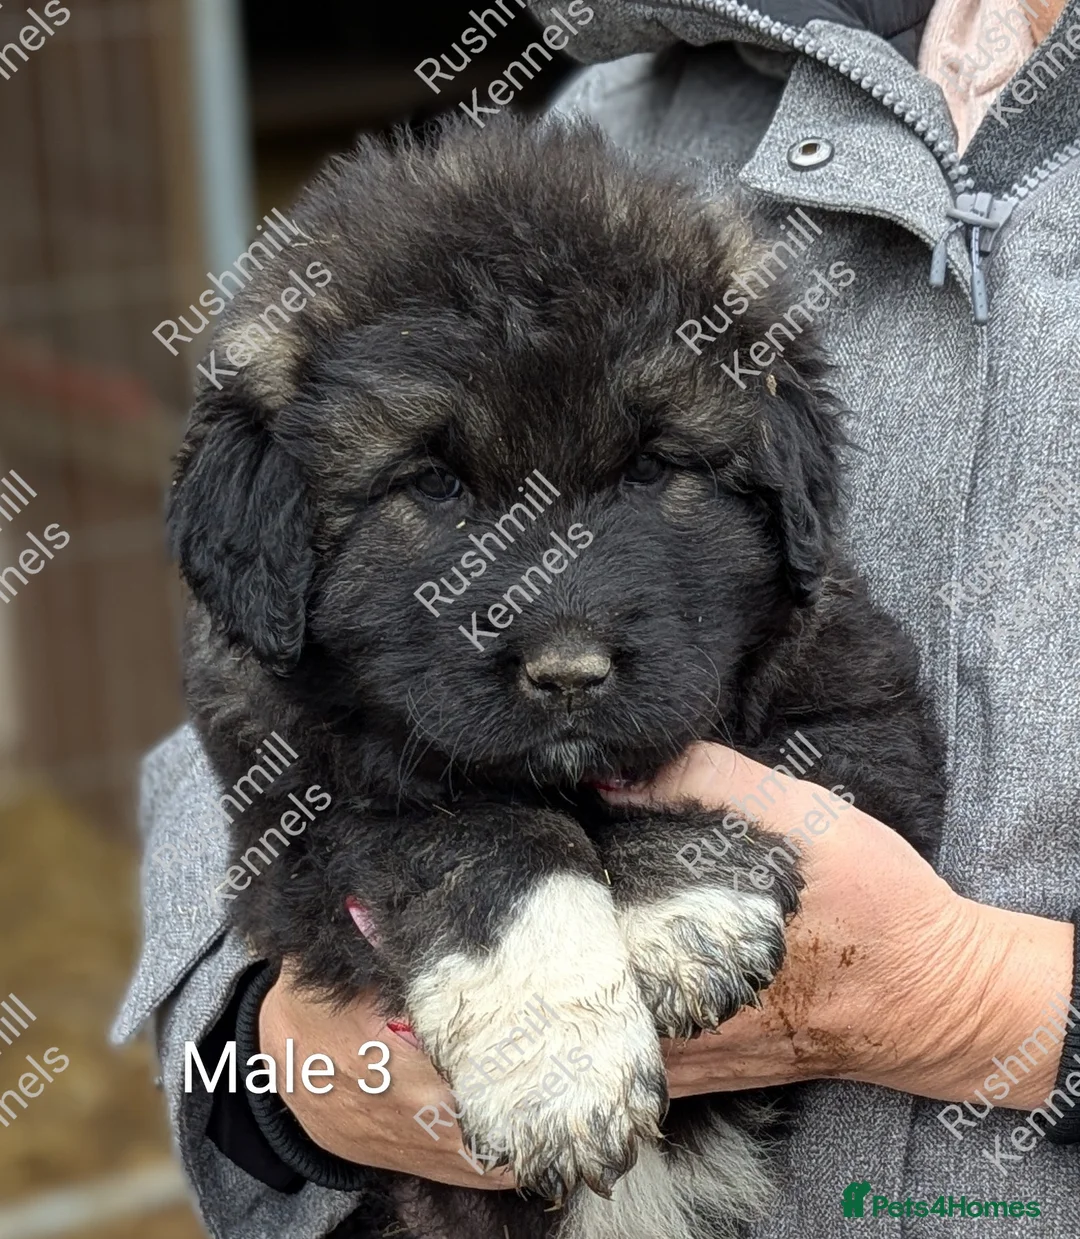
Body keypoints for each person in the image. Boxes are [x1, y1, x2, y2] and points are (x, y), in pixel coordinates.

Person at [113, 0, 1080, 1234]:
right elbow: (242, 743)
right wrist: (275, 1074)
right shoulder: (631, 109)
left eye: (644, 473)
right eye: (432, 486)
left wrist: (979, 1006)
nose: (560, 638)